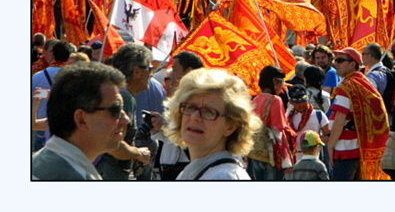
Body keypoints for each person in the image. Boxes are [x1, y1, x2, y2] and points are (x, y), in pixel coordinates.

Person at [32, 62, 129, 180]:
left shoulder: (40, 162)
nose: (125, 120)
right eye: (116, 110)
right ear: (81, 119)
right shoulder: (75, 177)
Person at [162, 68, 257, 180]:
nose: (195, 117)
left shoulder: (224, 177)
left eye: (209, 112)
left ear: (230, 126)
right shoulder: (193, 171)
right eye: (190, 107)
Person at [327, 47, 390, 180]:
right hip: (359, 147)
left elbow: (340, 119)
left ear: (352, 64)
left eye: (340, 60)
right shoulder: (362, 82)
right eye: (335, 60)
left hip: (345, 149)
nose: (336, 64)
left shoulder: (347, 86)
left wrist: (330, 145)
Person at [96, 43, 153, 180]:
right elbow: (113, 145)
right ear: (136, 71)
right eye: (150, 68)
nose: (152, 74)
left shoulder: (116, 92)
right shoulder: (124, 97)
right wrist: (139, 154)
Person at [247, 65, 294, 180]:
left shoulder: (256, 99)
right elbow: (279, 131)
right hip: (271, 153)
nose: (282, 87)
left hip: (255, 151)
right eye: (281, 82)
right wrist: (286, 158)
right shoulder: (275, 100)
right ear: (274, 82)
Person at [31, 39, 72, 151]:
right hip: (66, 127)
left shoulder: (37, 76)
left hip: (41, 124)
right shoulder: (74, 78)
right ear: (69, 57)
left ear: (52, 54)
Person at [285, 84, 330, 165]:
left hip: (313, 158)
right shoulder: (288, 118)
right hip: (293, 160)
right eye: (296, 102)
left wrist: (314, 141)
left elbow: (329, 137)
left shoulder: (318, 115)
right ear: (291, 102)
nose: (300, 104)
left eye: (303, 101)